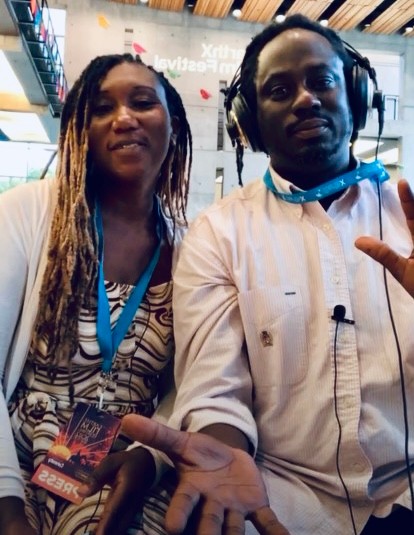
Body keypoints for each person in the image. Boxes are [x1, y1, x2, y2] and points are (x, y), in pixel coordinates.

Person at [91, 13, 414, 535]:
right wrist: (222, 453)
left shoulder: (408, 216)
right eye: (280, 90)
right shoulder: (218, 232)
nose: (306, 100)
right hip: (281, 495)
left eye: (322, 81)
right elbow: (214, 383)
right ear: (251, 121)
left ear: (355, 94)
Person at [0, 52, 192, 535]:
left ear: (173, 124)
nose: (124, 118)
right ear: (79, 131)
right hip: (13, 453)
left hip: (126, 462)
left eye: (143, 102)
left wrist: (151, 458)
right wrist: (7, 507)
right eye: (102, 108)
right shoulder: (27, 212)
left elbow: (186, 387)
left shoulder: (191, 247)